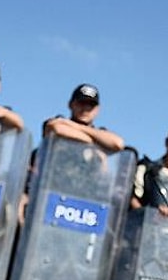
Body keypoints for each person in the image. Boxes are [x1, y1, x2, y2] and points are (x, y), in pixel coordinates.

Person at [19, 82, 124, 224]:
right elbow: (56, 128)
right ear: (71, 104)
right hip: (52, 199)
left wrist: (75, 127)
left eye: (90, 105)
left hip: (83, 206)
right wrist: (96, 143)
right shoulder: (58, 122)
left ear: (97, 109)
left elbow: (117, 143)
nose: (85, 109)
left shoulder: (98, 132)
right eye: (81, 103)